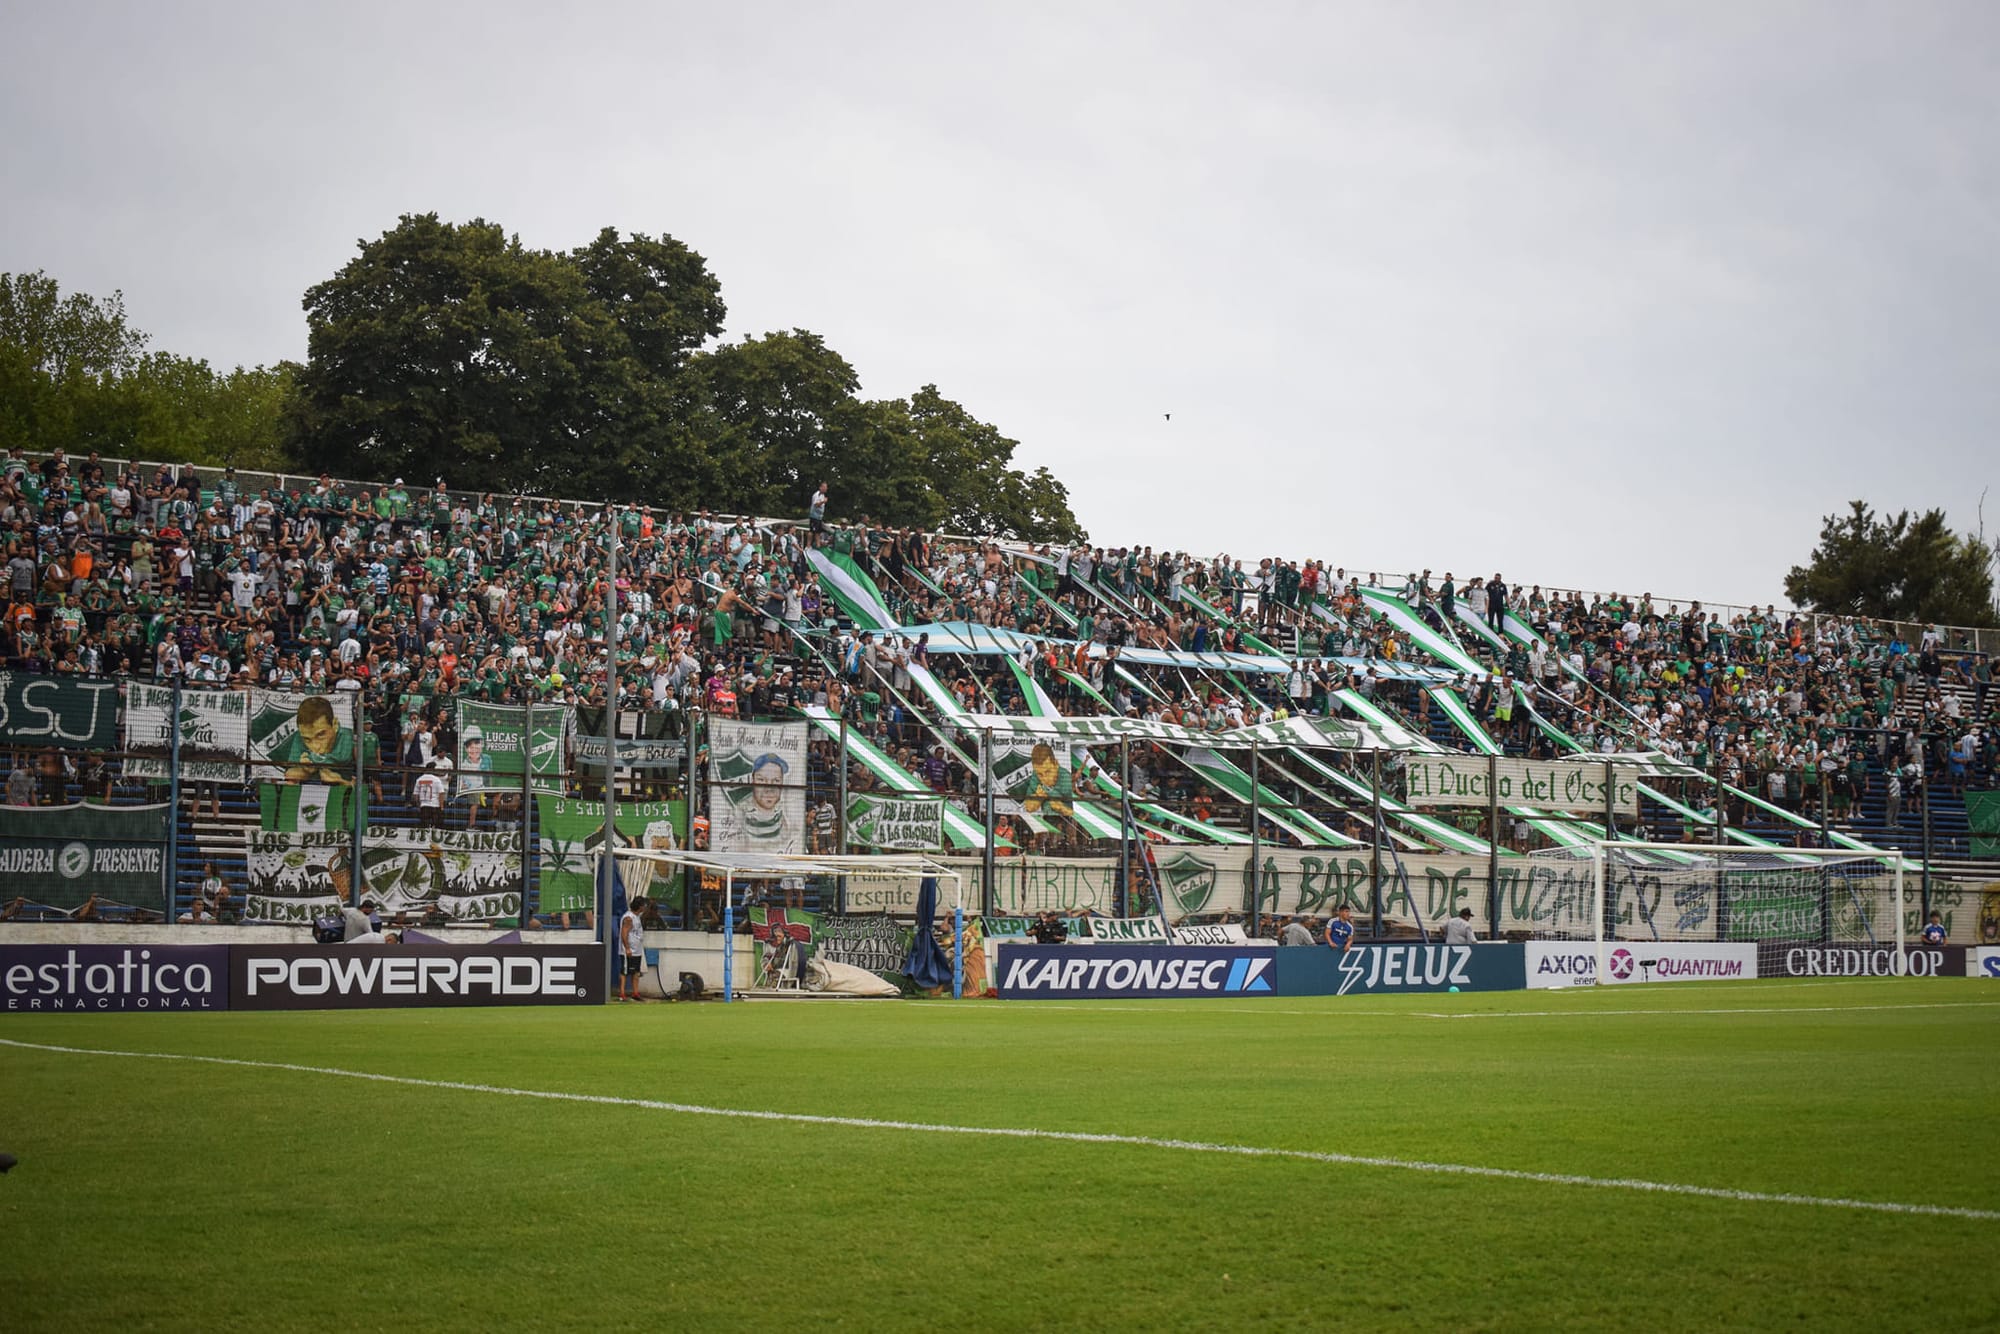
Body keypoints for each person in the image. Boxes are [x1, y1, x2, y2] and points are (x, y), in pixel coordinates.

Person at [618, 895, 647, 1000]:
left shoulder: (637, 917)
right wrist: (627, 948)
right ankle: (622, 993)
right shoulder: (629, 918)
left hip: (637, 950)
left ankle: (635, 993)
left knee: (636, 972)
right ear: (640, 906)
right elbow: (624, 933)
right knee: (624, 972)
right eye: (644, 905)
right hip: (629, 950)